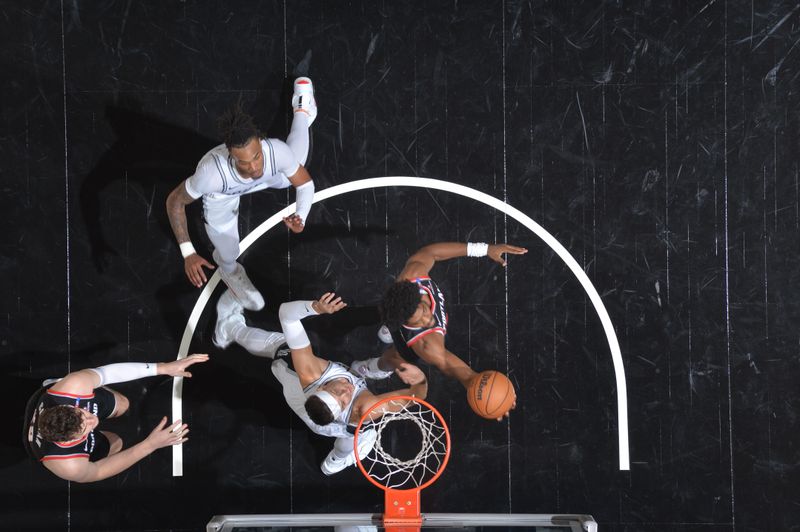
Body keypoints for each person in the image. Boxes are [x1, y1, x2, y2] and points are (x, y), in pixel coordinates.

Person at [166, 77, 318, 312]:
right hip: (223, 195)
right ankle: (231, 271)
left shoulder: (274, 151)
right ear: (230, 154)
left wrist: (301, 216)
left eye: (256, 156)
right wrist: (189, 253)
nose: (254, 167)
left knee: (296, 162)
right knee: (229, 253)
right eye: (245, 162)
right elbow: (175, 202)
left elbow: (305, 185)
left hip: (270, 177)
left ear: (261, 142)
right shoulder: (210, 174)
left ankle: (302, 109)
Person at [275, 292, 428, 475]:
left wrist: (315, 307)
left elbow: (285, 314)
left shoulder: (311, 374)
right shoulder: (365, 409)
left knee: (278, 354)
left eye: (337, 390)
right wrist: (420, 380)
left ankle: (236, 330)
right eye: (344, 401)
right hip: (325, 418)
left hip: (309, 399)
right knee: (349, 439)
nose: (346, 391)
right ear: (346, 407)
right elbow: (417, 396)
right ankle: (335, 461)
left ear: (323, 386)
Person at [371, 242, 527, 419]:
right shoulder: (427, 345)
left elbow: (431, 252)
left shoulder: (414, 274)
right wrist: (481, 389)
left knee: (388, 319)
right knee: (398, 357)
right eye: (417, 322)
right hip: (409, 340)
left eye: (422, 312)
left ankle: (387, 330)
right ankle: (372, 368)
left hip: (400, 311)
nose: (427, 320)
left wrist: (485, 249)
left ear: (417, 294)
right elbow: (454, 367)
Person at [24, 354, 209, 483]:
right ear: (71, 440)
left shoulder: (72, 387)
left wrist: (164, 367)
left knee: (123, 404)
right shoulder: (67, 465)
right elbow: (98, 471)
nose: (92, 421)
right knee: (117, 443)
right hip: (44, 443)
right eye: (84, 429)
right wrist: (150, 444)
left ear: (69, 406)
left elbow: (108, 373)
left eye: (84, 415)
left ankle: (53, 383)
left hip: (44, 397)